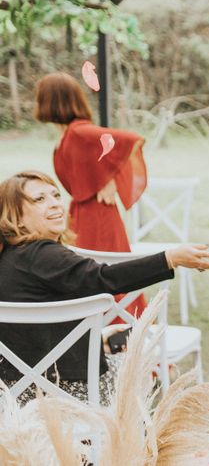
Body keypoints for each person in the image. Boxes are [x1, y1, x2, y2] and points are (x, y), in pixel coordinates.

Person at [0, 171, 209, 403]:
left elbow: (32, 333)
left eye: (56, 195)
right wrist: (169, 258)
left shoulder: (11, 256)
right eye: (39, 199)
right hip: (66, 394)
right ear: (16, 217)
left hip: (14, 393)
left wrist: (99, 340)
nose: (55, 204)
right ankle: (131, 437)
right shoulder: (43, 254)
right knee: (147, 366)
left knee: (125, 355)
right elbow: (104, 277)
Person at [33, 72, 150, 319]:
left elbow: (130, 140)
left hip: (98, 218)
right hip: (81, 215)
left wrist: (112, 181)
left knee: (104, 278)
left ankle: (120, 336)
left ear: (51, 101)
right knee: (90, 279)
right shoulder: (69, 134)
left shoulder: (79, 132)